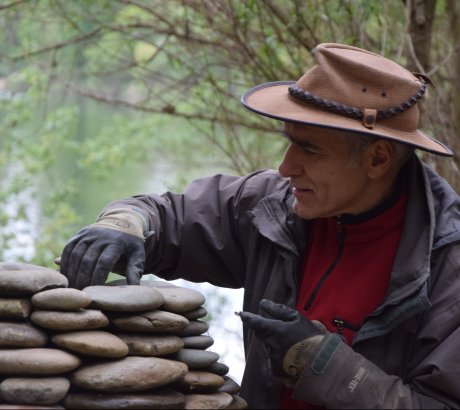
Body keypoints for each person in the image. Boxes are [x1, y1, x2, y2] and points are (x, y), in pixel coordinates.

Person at [59, 43, 460, 409]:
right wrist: (126, 224)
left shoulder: (448, 266)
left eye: (309, 148)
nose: (286, 167)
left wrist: (321, 363)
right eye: (289, 141)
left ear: (378, 159)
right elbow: (169, 216)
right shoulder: (275, 203)